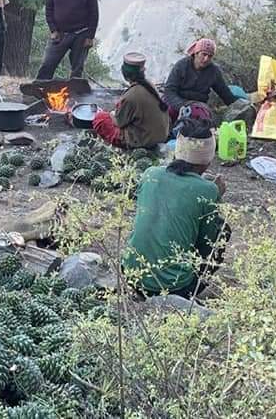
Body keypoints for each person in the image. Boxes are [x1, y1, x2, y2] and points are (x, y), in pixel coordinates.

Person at [122, 122, 230, 298]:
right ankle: (190, 291)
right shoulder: (208, 190)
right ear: (208, 159)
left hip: (131, 275)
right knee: (222, 231)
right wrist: (216, 197)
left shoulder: (150, 173)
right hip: (174, 287)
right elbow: (207, 240)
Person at [92, 52, 170, 149]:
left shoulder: (131, 96)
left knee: (100, 118)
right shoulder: (150, 85)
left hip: (143, 140)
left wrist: (110, 114)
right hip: (162, 135)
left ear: (125, 74)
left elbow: (119, 122)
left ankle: (112, 147)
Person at [163, 38, 239, 123]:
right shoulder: (181, 66)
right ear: (196, 53)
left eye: (210, 56)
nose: (206, 59)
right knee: (167, 114)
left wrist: (239, 106)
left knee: (204, 121)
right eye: (204, 54)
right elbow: (169, 90)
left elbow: (224, 93)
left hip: (197, 105)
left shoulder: (214, 71)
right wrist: (182, 106)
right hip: (177, 102)